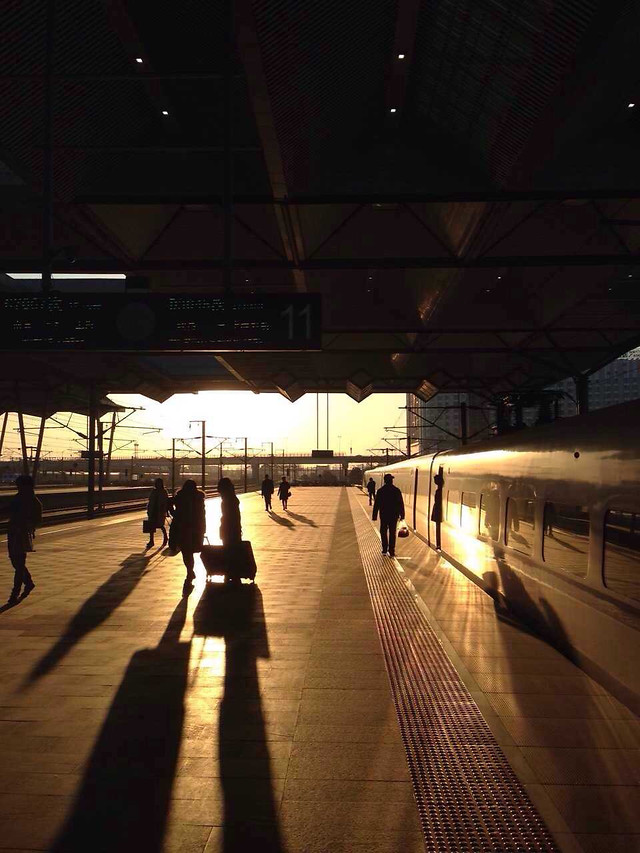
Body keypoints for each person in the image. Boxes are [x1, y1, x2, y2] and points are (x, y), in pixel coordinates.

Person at [4, 475, 42, 605]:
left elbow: (38, 519)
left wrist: (28, 525)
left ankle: (15, 593)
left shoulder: (32, 501)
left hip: (22, 534)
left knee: (19, 563)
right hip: (13, 532)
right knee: (15, 561)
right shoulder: (18, 497)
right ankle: (29, 582)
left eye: (19, 484)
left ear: (27, 486)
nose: (17, 486)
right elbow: (9, 510)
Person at [171, 479, 206, 595]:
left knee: (186, 552)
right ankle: (190, 571)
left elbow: (174, 510)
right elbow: (202, 514)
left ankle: (190, 571)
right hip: (196, 528)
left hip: (183, 528)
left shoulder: (180, 497)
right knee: (191, 550)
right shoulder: (199, 498)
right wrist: (203, 528)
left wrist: (173, 512)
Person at [372, 473, 405, 557]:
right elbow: (400, 503)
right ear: (391, 481)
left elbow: (376, 504)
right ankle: (391, 550)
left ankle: (384, 549)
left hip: (384, 515)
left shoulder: (380, 491)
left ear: (384, 481)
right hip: (394, 515)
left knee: (383, 531)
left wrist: (374, 515)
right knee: (392, 532)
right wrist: (402, 515)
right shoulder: (396, 490)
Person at [145, 478, 170, 550]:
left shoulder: (163, 491)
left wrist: (166, 511)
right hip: (153, 511)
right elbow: (150, 501)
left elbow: (165, 502)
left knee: (161, 525)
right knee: (151, 526)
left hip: (160, 511)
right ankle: (151, 540)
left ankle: (165, 538)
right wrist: (148, 510)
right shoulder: (155, 491)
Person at [218, 478, 242, 545]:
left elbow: (228, 517)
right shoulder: (233, 499)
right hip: (234, 531)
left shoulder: (228, 501)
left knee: (229, 549)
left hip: (229, 531)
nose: (220, 495)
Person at [431, 469, 444, 551]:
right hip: (437, 511)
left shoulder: (439, 491)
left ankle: (438, 544)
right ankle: (438, 544)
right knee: (437, 526)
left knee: (437, 526)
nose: (434, 482)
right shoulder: (439, 490)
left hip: (438, 511)